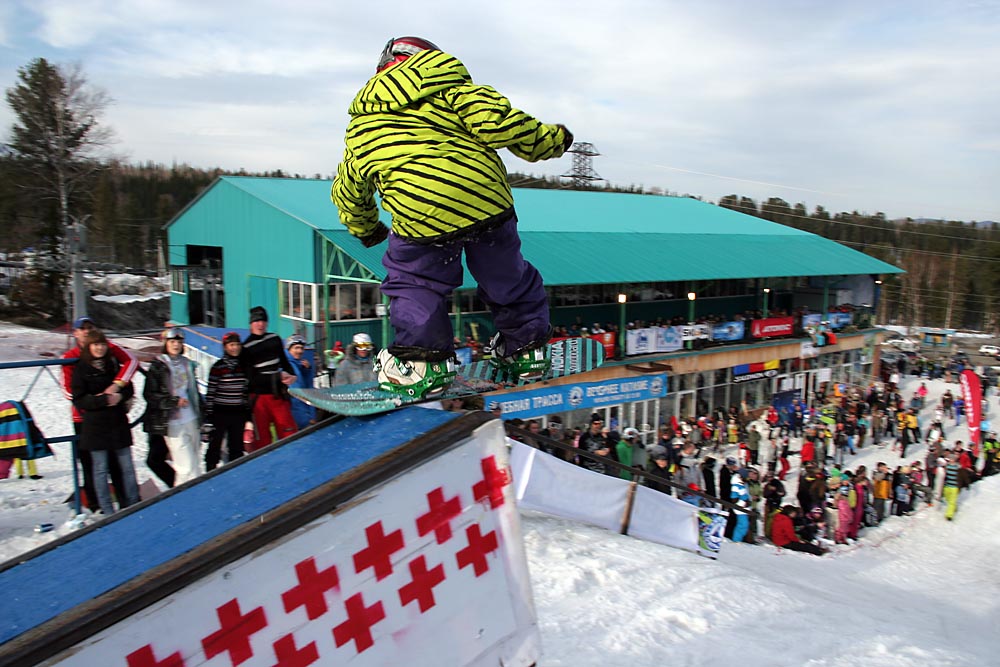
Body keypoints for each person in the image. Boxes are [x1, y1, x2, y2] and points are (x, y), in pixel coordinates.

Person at [331, 36, 573, 398]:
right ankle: (527, 349)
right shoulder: (456, 90)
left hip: (421, 212)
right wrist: (553, 140)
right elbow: (504, 124)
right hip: (486, 201)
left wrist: (366, 227)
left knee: (416, 281)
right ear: (432, 59)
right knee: (506, 274)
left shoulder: (365, 125)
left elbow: (350, 188)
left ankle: (423, 362)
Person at [61, 316, 137, 511]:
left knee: (119, 464)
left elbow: (131, 362)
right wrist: (100, 401)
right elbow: (71, 392)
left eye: (90, 327)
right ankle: (97, 505)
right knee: (93, 465)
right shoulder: (72, 358)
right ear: (75, 333)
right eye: (82, 328)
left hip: (114, 418)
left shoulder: (110, 353)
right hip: (86, 418)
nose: (86, 331)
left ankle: (127, 502)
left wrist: (117, 388)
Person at [144, 328, 204, 486]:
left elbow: (194, 392)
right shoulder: (158, 366)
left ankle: (186, 495)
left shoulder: (187, 364)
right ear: (166, 343)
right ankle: (190, 495)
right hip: (172, 421)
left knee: (194, 463)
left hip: (191, 418)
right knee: (186, 466)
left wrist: (203, 416)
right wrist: (172, 401)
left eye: (179, 342)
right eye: (172, 342)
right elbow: (150, 395)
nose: (176, 345)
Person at [242, 306, 297, 451]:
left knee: (289, 433)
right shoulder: (246, 348)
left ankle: (292, 458)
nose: (260, 324)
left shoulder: (274, 339)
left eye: (263, 321)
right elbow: (252, 379)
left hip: (278, 395)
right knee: (263, 441)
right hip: (259, 399)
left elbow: (284, 362)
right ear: (251, 324)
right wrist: (277, 376)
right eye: (256, 321)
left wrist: (292, 375)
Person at [202, 332, 251, 472]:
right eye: (231, 345)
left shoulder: (243, 366)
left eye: (237, 345)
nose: (235, 348)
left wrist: (247, 413)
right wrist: (209, 416)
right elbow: (211, 392)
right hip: (220, 412)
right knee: (215, 446)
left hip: (238, 413)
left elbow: (245, 392)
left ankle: (234, 474)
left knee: (236, 448)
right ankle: (210, 473)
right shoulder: (218, 367)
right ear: (225, 347)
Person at [284, 334, 316, 430]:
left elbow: (308, 388)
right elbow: (296, 395)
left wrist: (307, 371)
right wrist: (308, 417)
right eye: (296, 348)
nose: (300, 351)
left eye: (302, 348)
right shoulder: (288, 366)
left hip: (302, 414)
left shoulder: (299, 365)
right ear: (289, 349)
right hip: (296, 416)